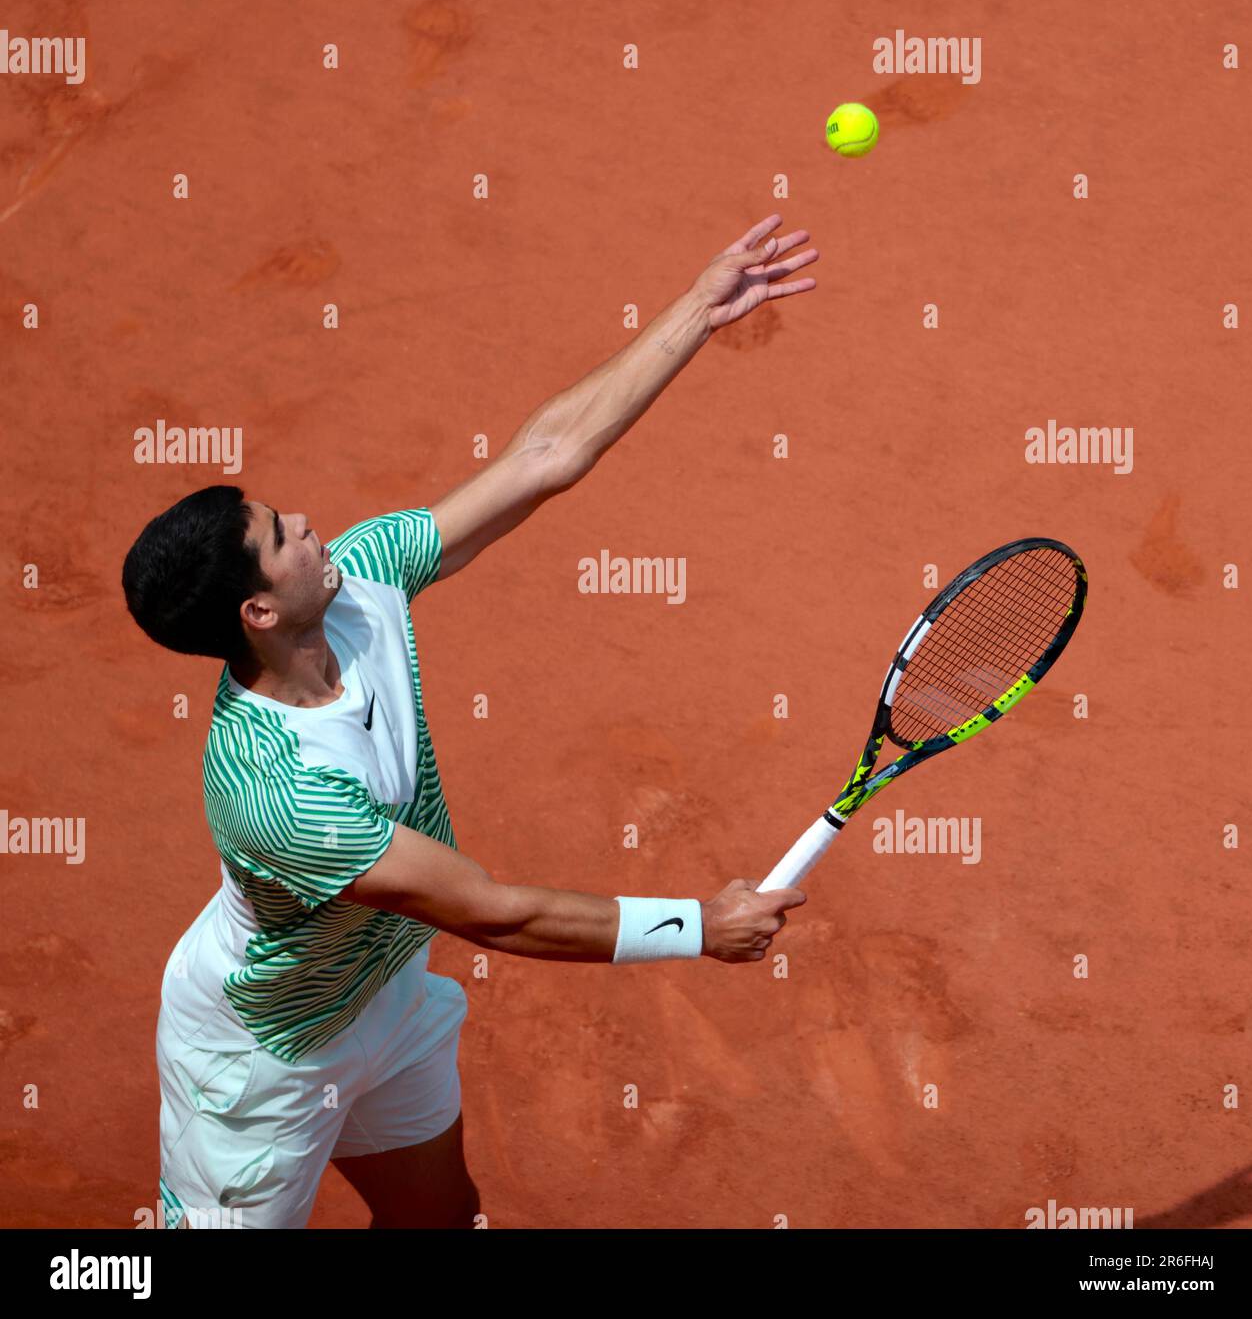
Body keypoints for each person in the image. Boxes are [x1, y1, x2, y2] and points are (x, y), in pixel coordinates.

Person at [122, 214, 818, 1229]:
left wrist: (694, 313)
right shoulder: (275, 791)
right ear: (258, 612)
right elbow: (492, 910)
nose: (309, 523)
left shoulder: (360, 579)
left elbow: (543, 454)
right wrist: (698, 926)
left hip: (387, 999)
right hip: (264, 1060)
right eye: (281, 535)